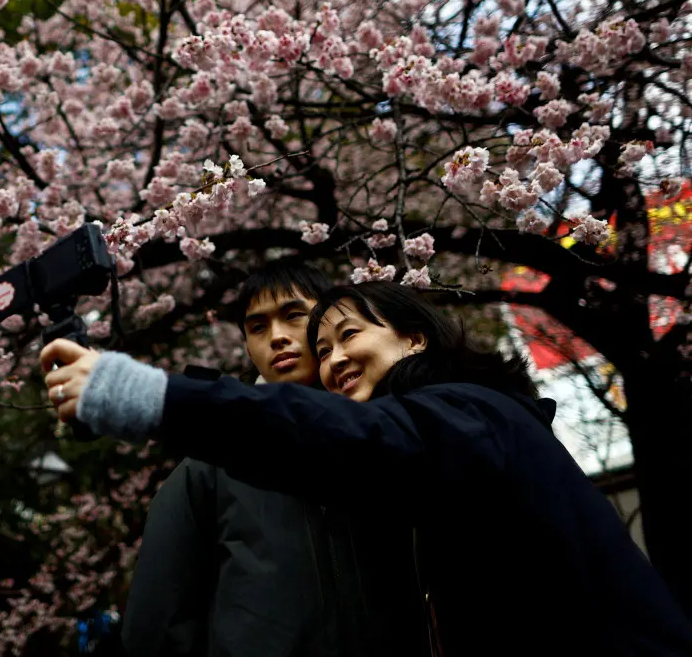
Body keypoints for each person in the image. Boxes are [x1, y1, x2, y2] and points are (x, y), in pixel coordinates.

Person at [42, 281, 692, 657]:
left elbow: (362, 440)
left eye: (347, 335)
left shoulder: (466, 415)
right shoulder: (452, 433)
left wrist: (152, 395)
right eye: (325, 350)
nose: (331, 359)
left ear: (414, 337)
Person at [119, 264, 424, 657]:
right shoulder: (210, 468)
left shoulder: (393, 441)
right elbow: (156, 623)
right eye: (258, 327)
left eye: (294, 316)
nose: (278, 337)